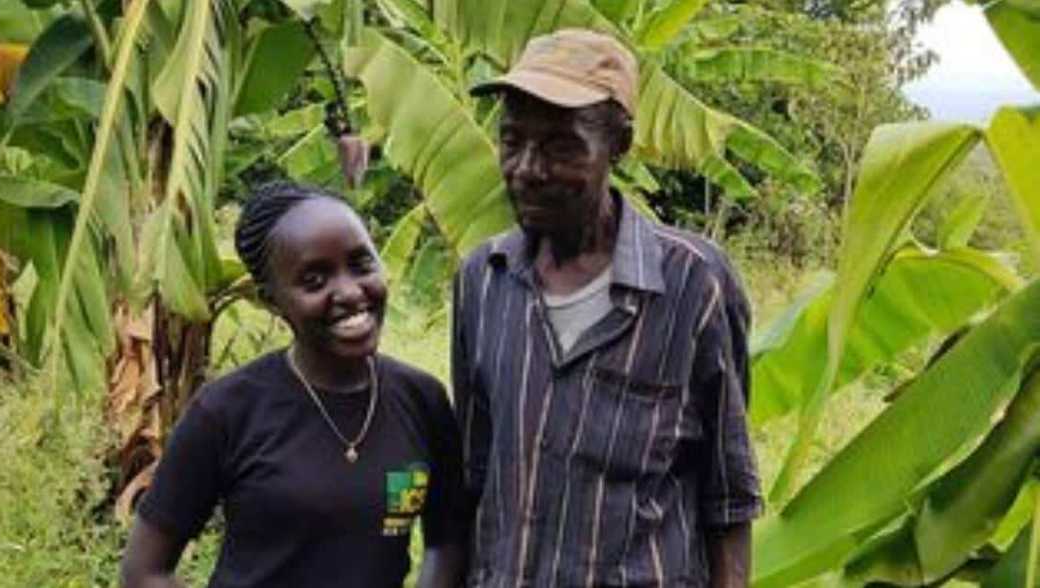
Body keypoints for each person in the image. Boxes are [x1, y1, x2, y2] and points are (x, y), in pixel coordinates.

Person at [452, 29, 762, 587]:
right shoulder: (483, 280)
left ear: (617, 145)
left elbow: (728, 498)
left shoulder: (694, 284)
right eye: (512, 139)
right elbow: (474, 475)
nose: (526, 167)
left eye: (561, 146)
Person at [121, 182, 468, 587]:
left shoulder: (422, 399)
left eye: (361, 264)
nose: (350, 292)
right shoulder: (226, 410)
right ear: (272, 301)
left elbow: (448, 543)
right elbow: (144, 570)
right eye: (315, 280)